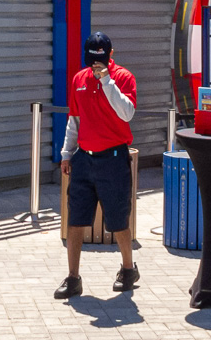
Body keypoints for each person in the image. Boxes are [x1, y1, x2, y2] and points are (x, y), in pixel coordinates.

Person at [54, 31, 137, 299]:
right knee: (75, 218)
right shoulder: (79, 79)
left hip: (113, 157)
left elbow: (127, 113)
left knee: (117, 219)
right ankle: (73, 277)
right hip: (84, 158)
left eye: (101, 60)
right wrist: (67, 154)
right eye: (92, 60)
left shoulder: (123, 77)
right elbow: (74, 120)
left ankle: (128, 268)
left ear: (110, 55)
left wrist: (107, 82)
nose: (96, 65)